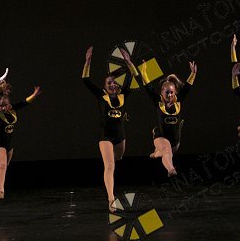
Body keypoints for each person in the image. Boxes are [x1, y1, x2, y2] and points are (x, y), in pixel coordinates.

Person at [82, 45, 139, 213]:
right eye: (109, 83)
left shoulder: (123, 95)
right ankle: (111, 199)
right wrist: (88, 61)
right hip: (105, 136)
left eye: (114, 82)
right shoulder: (101, 96)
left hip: (120, 136)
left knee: (118, 157)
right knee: (109, 165)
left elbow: (136, 78)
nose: (112, 85)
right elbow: (86, 80)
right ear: (104, 86)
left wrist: (129, 62)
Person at [139, 61, 197, 176]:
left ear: (174, 92)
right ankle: (171, 170)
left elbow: (187, 87)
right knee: (166, 150)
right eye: (167, 92)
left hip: (175, 141)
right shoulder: (158, 102)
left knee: (165, 152)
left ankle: (156, 153)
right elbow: (148, 87)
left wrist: (193, 73)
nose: (169, 95)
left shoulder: (178, 102)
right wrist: (144, 72)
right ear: (162, 92)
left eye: (171, 92)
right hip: (161, 136)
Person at [0, 86, 41, 199]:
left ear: (9, 105)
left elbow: (24, 102)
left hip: (9, 144)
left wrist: (34, 95)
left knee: (3, 165)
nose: (3, 108)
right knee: (2, 165)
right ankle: (1, 190)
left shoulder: (13, 109)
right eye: (1, 106)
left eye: (5, 105)